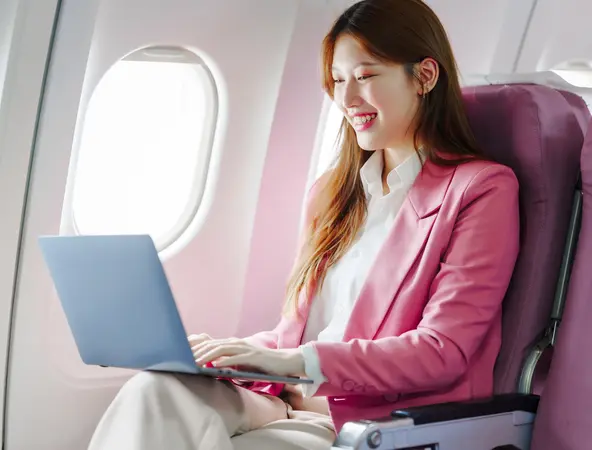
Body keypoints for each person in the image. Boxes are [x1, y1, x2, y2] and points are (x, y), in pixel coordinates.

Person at [88, 0, 520, 448]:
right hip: (284, 399)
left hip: (369, 422)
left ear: (425, 76)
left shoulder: (480, 191)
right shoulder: (333, 193)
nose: (347, 99)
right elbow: (299, 332)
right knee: (154, 390)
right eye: (336, 80)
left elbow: (440, 352)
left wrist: (292, 361)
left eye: (366, 76)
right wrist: (226, 354)